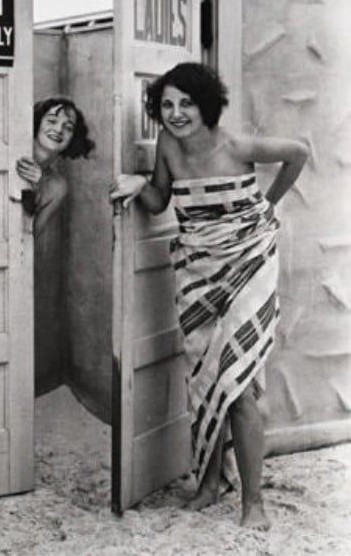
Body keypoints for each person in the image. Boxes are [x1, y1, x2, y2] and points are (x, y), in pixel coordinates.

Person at [109, 62, 308, 530]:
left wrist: (268, 204)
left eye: (187, 103)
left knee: (236, 382)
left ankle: (254, 504)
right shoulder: (168, 144)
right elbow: (160, 199)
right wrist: (139, 184)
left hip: (250, 263)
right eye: (167, 104)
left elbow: (298, 153)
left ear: (207, 106)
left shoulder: (236, 145)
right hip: (197, 269)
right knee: (204, 377)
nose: (176, 113)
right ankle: (210, 484)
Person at [16, 96, 95, 236]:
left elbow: (30, 236)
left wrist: (37, 189)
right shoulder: (13, 155)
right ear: (37, 122)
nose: (59, 130)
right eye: (52, 121)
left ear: (73, 138)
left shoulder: (58, 187)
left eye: (68, 127)